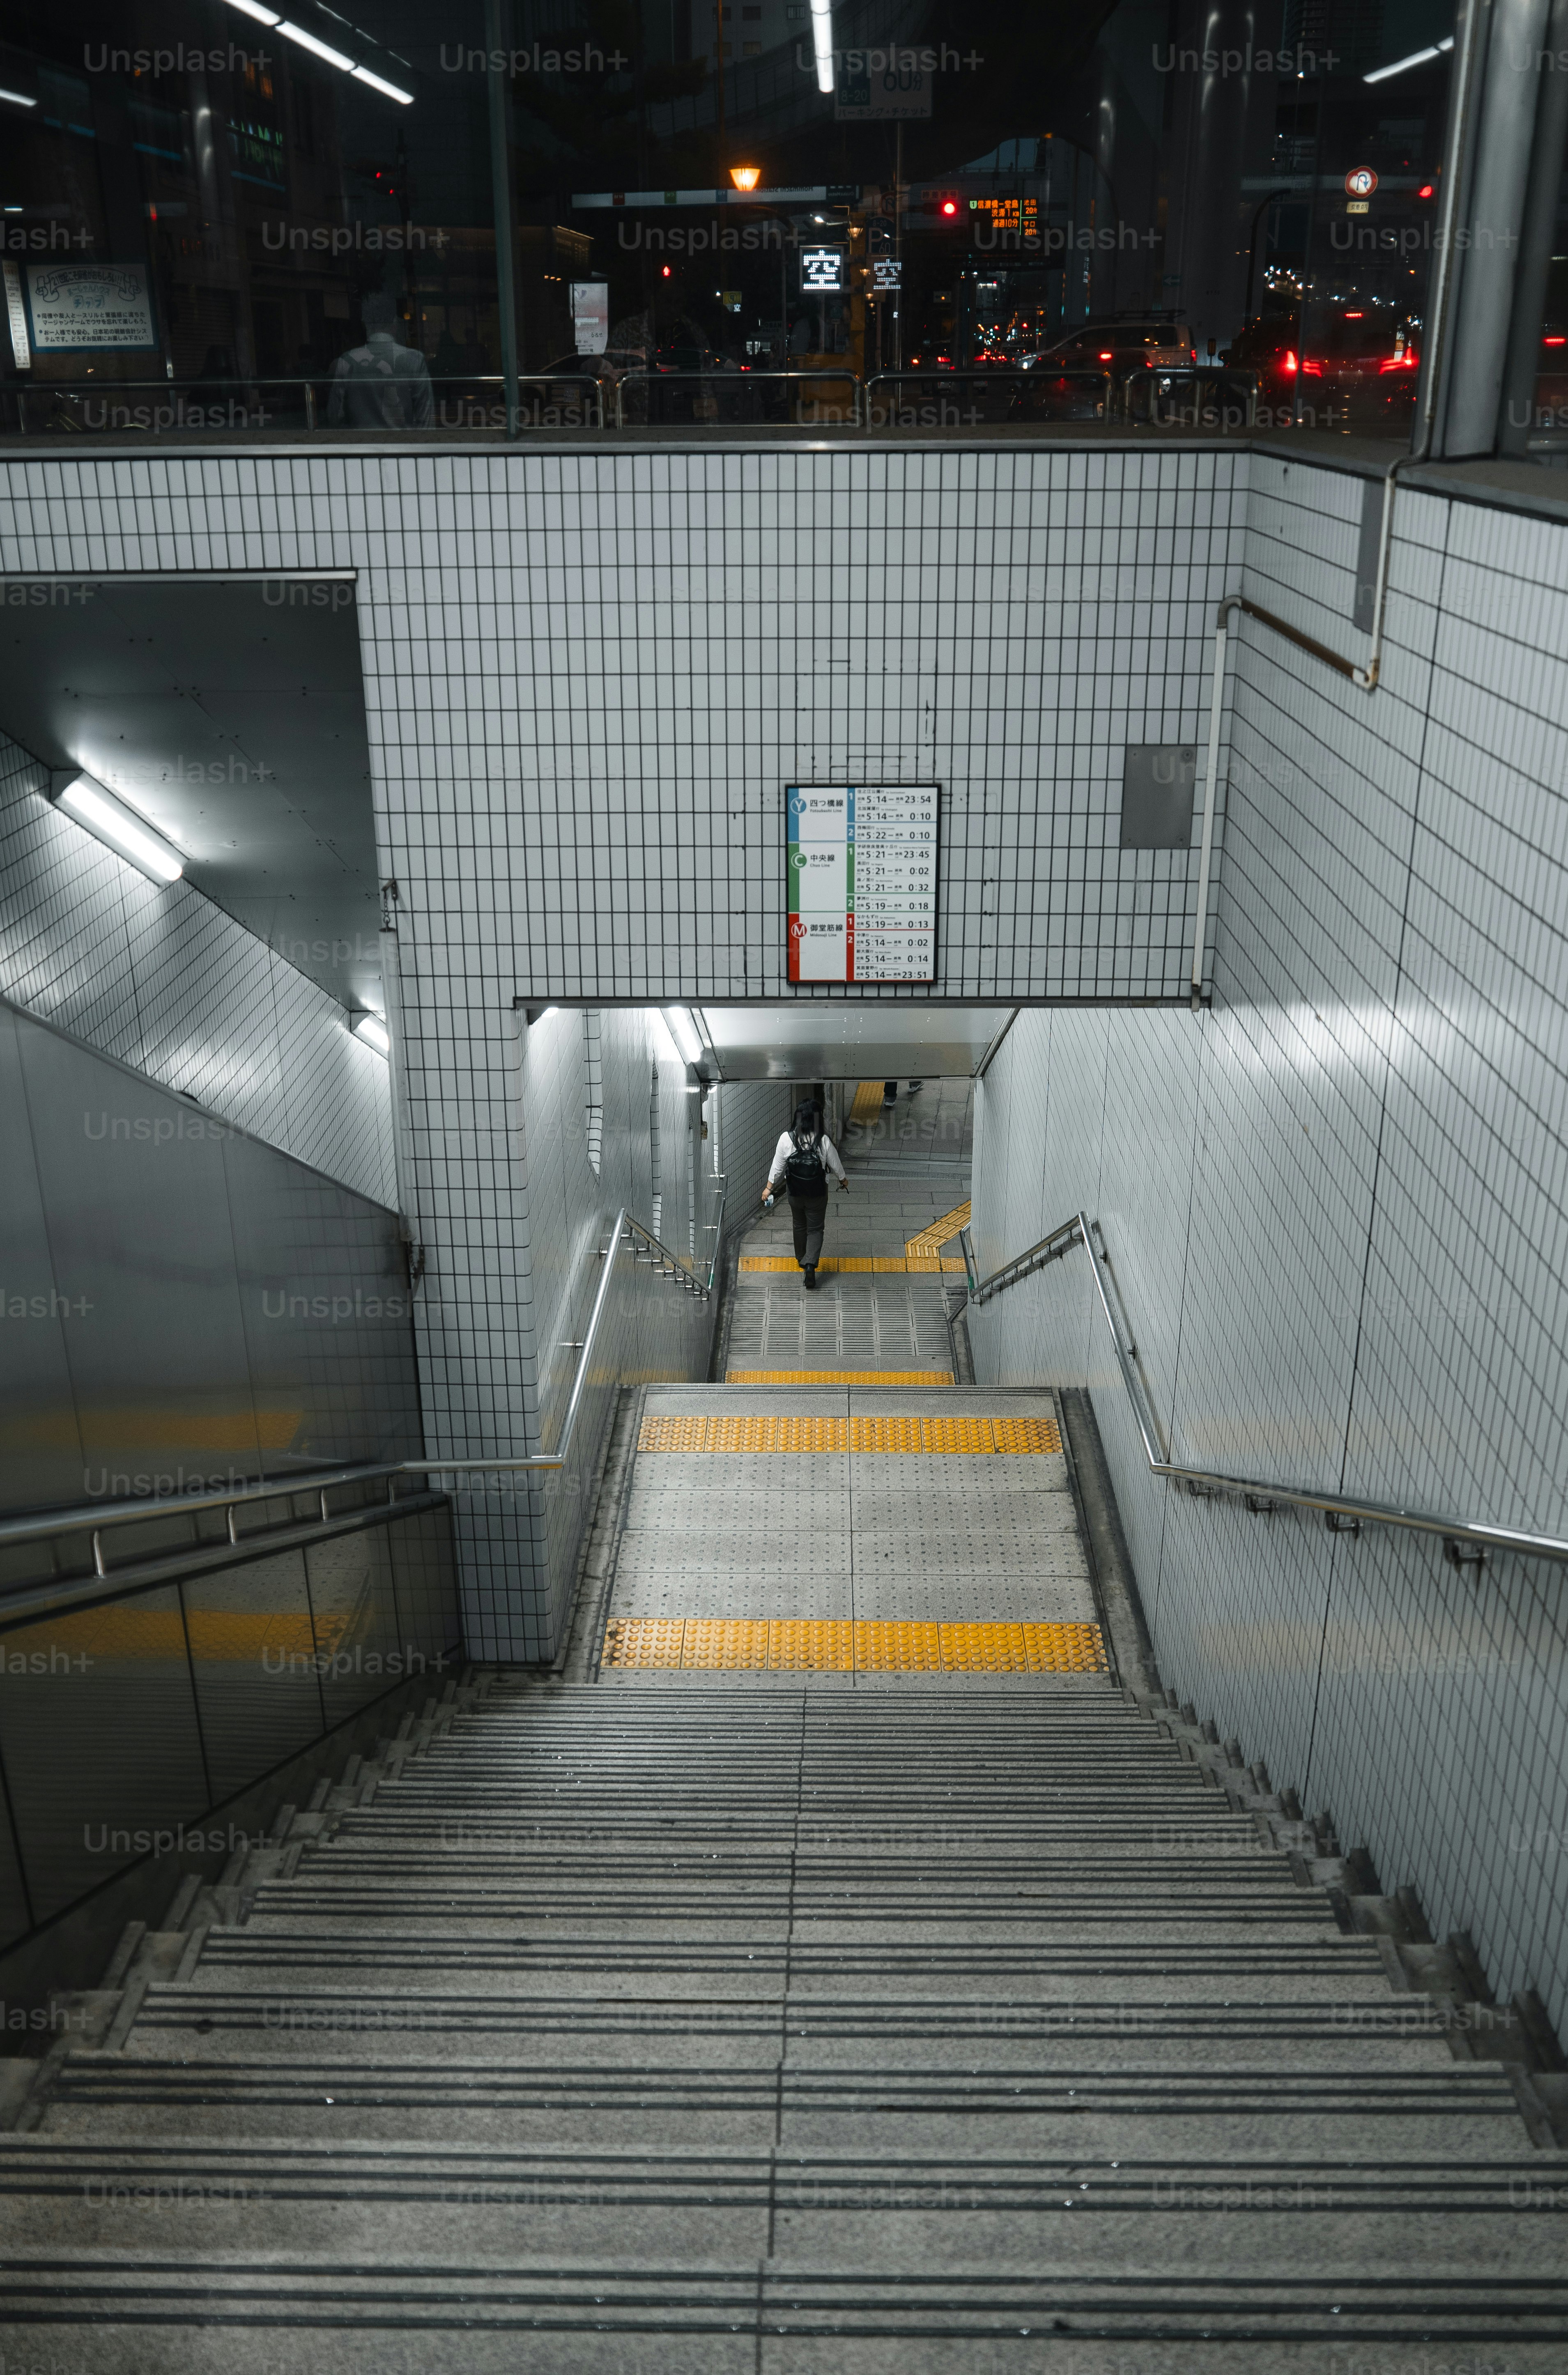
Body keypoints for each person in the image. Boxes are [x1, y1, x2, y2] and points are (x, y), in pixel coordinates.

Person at [762, 1100, 848, 1288]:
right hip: (818, 1193)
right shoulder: (822, 1139)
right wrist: (843, 1180)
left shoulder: (787, 1138)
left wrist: (769, 1188)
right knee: (816, 1229)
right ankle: (810, 1264)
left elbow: (777, 1167)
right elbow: (835, 1163)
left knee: (799, 1225)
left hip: (795, 1193)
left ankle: (803, 1259)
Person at [327, 292, 434, 430]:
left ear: (365, 323)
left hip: (361, 447)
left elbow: (335, 416)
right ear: (395, 322)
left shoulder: (347, 361)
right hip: (403, 446)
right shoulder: (414, 359)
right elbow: (425, 418)